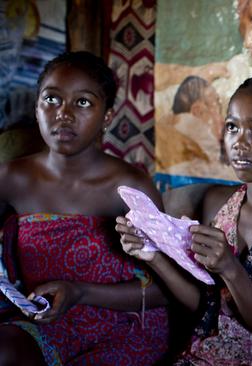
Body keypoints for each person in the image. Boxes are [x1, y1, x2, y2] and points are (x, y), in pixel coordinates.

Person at [116, 75, 252, 365]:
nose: (241, 142)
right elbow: (205, 307)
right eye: (232, 127)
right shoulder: (218, 203)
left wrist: (230, 267)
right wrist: (151, 255)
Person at [0, 51, 169, 365]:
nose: (63, 114)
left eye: (83, 102)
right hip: (46, 320)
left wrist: (79, 292)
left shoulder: (131, 188)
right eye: (52, 100)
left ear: (106, 117)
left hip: (124, 323)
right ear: (37, 108)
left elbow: (165, 289)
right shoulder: (11, 178)